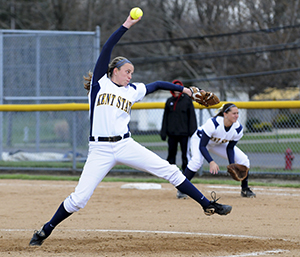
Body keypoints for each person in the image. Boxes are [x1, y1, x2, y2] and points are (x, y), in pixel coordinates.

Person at [29, 12, 232, 247]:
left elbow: (156, 85)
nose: (130, 75)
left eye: (132, 73)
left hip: (125, 144)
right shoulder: (99, 84)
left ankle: (207, 204)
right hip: (100, 149)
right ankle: (45, 230)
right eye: (127, 71)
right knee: (79, 199)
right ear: (114, 70)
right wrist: (126, 24)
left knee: (170, 171)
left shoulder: (132, 90)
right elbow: (108, 46)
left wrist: (187, 90)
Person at [177, 103, 256, 199]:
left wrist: (232, 165)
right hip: (199, 140)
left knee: (244, 159)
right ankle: (182, 188)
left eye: (237, 113)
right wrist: (211, 162)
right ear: (225, 114)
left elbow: (230, 148)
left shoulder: (238, 129)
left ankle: (245, 189)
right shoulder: (213, 123)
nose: (236, 116)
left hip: (217, 143)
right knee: (197, 161)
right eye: (233, 113)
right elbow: (202, 146)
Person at [160, 79, 197, 172]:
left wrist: (193, 131)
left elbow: (192, 117)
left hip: (184, 133)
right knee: (171, 153)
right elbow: (165, 118)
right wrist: (163, 132)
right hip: (172, 133)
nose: (176, 90)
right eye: (174, 88)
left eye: (178, 88)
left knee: (185, 154)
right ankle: (170, 171)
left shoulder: (187, 101)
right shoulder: (169, 101)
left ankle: (186, 172)